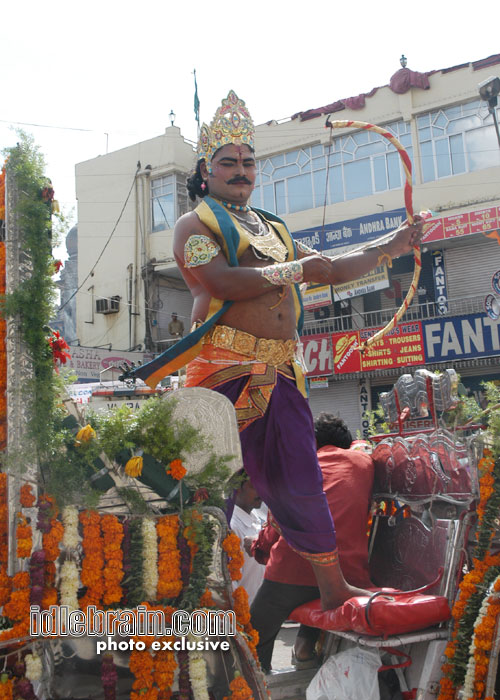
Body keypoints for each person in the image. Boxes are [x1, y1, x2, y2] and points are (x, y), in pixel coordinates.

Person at [128, 90, 423, 610]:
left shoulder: (272, 227)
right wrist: (292, 271)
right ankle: (183, 598)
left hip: (280, 369)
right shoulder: (193, 225)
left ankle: (332, 588)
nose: (241, 170)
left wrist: (387, 248)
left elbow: (328, 268)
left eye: (248, 162)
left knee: (300, 479)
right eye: (229, 163)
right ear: (206, 169)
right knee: (201, 483)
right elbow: (220, 282)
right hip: (220, 369)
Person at [250, 414, 374, 672]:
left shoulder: (298, 467)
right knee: (321, 587)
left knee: (253, 638)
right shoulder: (364, 462)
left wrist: (258, 548)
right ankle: (304, 649)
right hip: (348, 575)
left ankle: (256, 683)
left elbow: (275, 522)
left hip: (290, 573)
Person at [229, 473, 266, 605]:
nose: (261, 491)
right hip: (244, 611)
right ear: (238, 489)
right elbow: (231, 579)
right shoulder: (232, 525)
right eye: (255, 486)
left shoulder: (258, 516)